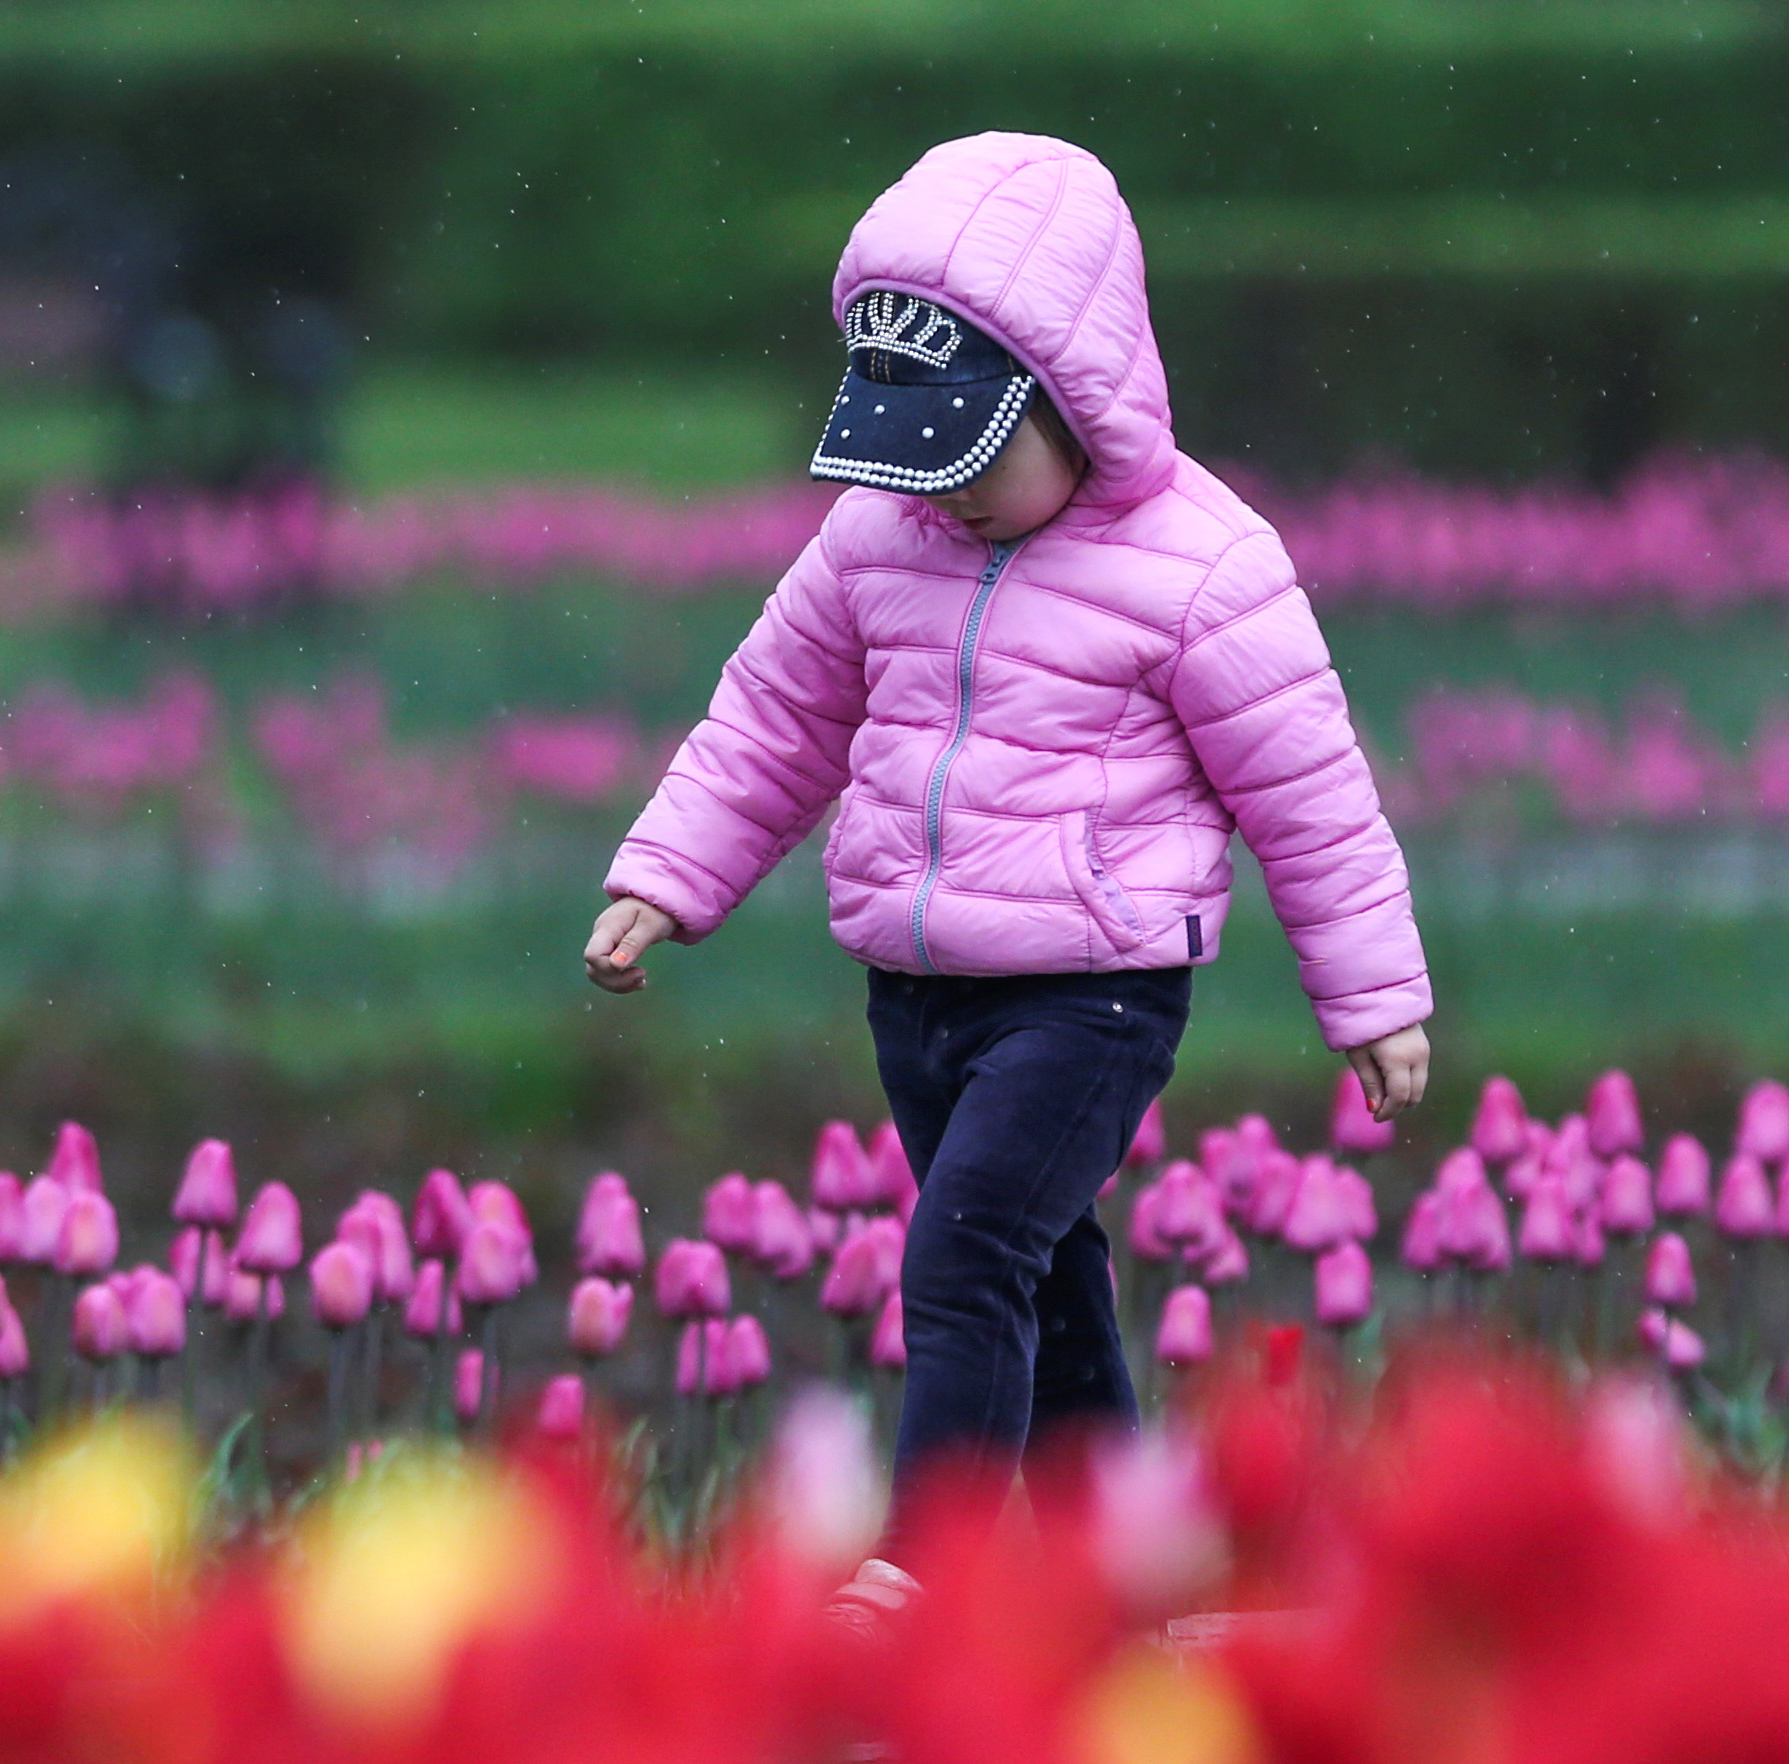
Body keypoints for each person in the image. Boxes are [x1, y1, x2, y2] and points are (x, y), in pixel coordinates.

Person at [584, 132, 1434, 1562]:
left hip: (1091, 985)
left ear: (1078, 396)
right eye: (914, 456)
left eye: (974, 454)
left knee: (964, 1252)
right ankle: (1129, 1551)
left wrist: (1376, 993)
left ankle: (935, 1569)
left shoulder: (1202, 566)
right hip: (919, 983)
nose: (946, 493)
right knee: (1040, 1272)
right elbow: (776, 716)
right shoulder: (878, 540)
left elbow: (1309, 790)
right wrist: (668, 873)